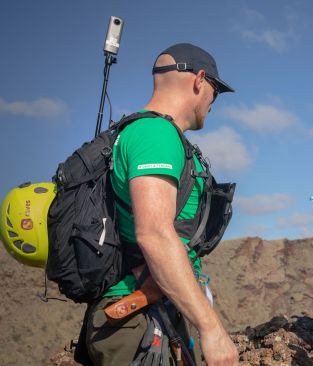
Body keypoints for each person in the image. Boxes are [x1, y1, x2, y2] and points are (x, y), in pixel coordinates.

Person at [80, 43, 239, 366]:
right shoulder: (156, 135)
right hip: (135, 319)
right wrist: (211, 329)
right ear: (199, 80)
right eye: (215, 92)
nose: (213, 101)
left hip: (150, 311)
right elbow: (154, 234)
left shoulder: (151, 134)